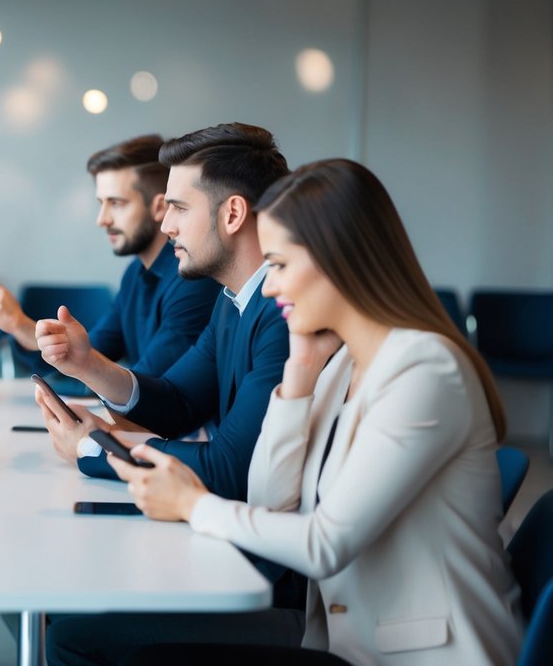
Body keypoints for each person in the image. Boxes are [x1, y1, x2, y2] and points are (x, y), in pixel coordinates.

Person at [107, 158, 523, 666]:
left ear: (337, 260)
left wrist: (192, 504)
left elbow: (325, 544)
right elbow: (269, 500)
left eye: (280, 265)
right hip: (347, 646)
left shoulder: (426, 370)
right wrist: (299, 375)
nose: (272, 286)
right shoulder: (341, 362)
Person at [41, 123, 299, 664]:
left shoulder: (283, 315)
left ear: (231, 215)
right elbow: (178, 401)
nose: (164, 221)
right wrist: (88, 365)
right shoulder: (234, 300)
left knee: (69, 631)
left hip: (283, 584)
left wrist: (96, 450)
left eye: (178, 207)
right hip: (242, 543)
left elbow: (230, 469)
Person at [0, 134, 220, 379]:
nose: (102, 219)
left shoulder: (192, 279)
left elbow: (147, 384)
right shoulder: (135, 274)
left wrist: (23, 326)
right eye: (101, 203)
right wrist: (16, 324)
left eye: (117, 203)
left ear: (159, 207)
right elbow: (82, 359)